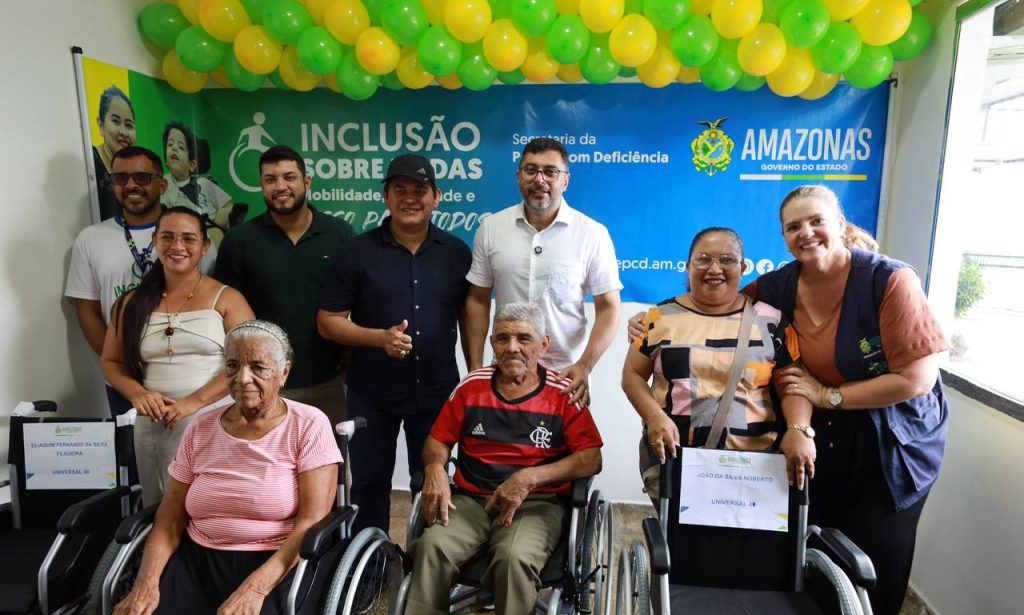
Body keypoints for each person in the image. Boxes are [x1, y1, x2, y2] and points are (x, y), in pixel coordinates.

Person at [751, 185, 949, 615]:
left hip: (893, 441)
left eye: (816, 221)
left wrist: (829, 396)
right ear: (783, 237)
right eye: (793, 227)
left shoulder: (889, 281)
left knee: (874, 565)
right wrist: (652, 323)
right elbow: (784, 369)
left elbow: (917, 379)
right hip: (822, 433)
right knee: (814, 545)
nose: (806, 233)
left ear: (840, 224)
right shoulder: (776, 289)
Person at [94, 320, 342, 615]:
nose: (242, 379)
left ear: (284, 372)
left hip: (274, 562)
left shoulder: (308, 425)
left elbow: (311, 521)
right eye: (232, 366)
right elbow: (170, 517)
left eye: (258, 367)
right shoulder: (201, 428)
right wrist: (144, 584)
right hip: (196, 562)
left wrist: (255, 589)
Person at [396, 302, 603, 615]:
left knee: (514, 558)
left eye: (524, 338)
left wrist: (528, 479)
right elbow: (437, 442)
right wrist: (434, 469)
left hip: (536, 504)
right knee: (432, 547)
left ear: (542, 344)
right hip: (473, 498)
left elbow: (590, 459)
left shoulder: (562, 393)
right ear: (492, 342)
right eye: (503, 337)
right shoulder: (472, 387)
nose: (513, 347)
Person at [317, 154, 472, 535]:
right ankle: (372, 569)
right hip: (373, 394)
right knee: (369, 485)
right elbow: (327, 322)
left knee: (433, 482)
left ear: (436, 197)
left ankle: (425, 566)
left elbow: (470, 315)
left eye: (419, 191)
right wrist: (378, 339)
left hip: (437, 392)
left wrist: (476, 372)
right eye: (399, 190)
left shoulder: (457, 253)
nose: (409, 198)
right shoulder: (357, 252)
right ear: (385, 197)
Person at [621, 227, 817, 502]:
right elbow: (632, 375)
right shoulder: (657, 317)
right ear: (688, 267)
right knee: (679, 545)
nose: (715, 268)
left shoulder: (771, 321)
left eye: (727, 260)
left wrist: (799, 429)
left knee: (746, 546)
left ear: (743, 267)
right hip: (676, 463)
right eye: (704, 259)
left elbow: (793, 385)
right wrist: (654, 416)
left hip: (753, 468)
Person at [101, 206, 254, 505]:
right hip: (154, 425)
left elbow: (249, 364)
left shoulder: (228, 299)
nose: (177, 246)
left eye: (188, 238)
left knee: (214, 508)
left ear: (205, 245)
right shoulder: (131, 302)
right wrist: (138, 394)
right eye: (168, 237)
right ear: (155, 241)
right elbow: (111, 362)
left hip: (218, 422)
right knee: (160, 510)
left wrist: (192, 404)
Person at [464, 137, 622, 408]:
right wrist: (476, 370)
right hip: (503, 371)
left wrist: (584, 366)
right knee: (498, 450)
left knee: (570, 452)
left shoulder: (593, 234)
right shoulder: (491, 228)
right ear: (518, 176)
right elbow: (477, 299)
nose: (540, 179)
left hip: (566, 377)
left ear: (565, 180)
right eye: (531, 170)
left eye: (550, 171)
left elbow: (609, 308)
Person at [66, 145, 217, 418]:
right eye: (120, 178)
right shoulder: (90, 239)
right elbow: (86, 309)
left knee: (198, 457)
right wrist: (122, 364)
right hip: (125, 382)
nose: (131, 185)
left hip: (189, 376)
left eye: (142, 177)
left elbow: (214, 302)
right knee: (136, 457)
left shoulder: (191, 236)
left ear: (162, 184)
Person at [214, 145, 355, 429]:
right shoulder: (238, 241)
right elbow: (224, 317)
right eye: (270, 179)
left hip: (327, 382)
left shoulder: (340, 234)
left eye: (289, 177)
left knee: (330, 469)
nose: (280, 186)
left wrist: (351, 352)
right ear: (261, 186)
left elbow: (357, 301)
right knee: (265, 471)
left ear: (307, 181)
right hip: (262, 386)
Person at [160, 121, 235, 232]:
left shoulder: (203, 183)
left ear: (192, 165)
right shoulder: (161, 185)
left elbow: (228, 205)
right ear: (166, 161)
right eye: (170, 145)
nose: (174, 148)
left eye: (181, 147)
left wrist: (220, 220)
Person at [92, 86, 137, 220]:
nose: (123, 132)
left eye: (129, 125)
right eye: (115, 121)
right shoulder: (89, 162)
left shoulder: (136, 171)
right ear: (100, 125)